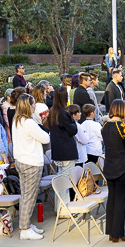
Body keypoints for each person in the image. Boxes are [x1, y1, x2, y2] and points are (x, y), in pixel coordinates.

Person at [12, 94, 50, 240]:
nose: (35, 106)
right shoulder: (28, 122)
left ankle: (25, 224)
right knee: (30, 196)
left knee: (25, 196)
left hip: (22, 160)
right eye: (33, 104)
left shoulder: (17, 120)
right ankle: (25, 229)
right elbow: (46, 138)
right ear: (28, 105)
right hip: (31, 162)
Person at [102, 99, 125, 242]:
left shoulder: (105, 125)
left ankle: (111, 233)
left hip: (109, 165)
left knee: (112, 198)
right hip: (122, 166)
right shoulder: (123, 127)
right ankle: (118, 233)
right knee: (120, 200)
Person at [48, 87, 78, 215]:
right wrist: (73, 121)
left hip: (58, 150)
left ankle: (59, 207)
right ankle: (64, 210)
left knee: (61, 178)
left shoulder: (52, 111)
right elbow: (73, 130)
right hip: (66, 150)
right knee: (65, 180)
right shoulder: (63, 113)